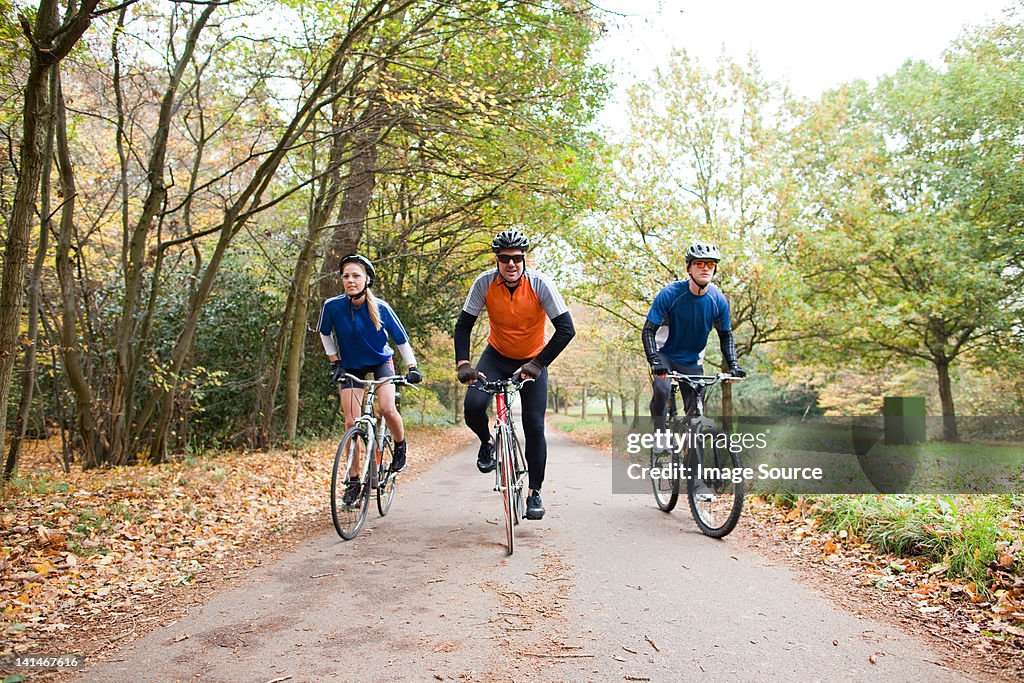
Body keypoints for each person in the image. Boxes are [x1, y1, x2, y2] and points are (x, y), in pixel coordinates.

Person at [454, 229, 575, 520]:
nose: (511, 264)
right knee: (472, 406)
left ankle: (534, 492)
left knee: (534, 425)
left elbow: (566, 329)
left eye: (517, 259)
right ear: (497, 261)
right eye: (505, 259)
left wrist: (537, 364)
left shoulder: (540, 284)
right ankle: (487, 443)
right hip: (496, 356)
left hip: (533, 359)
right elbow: (463, 325)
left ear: (524, 259)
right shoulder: (484, 283)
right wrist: (463, 364)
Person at [318, 254, 423, 505]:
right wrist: (334, 362)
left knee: (387, 408)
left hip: (380, 362)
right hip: (351, 366)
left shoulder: (381, 308)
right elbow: (324, 333)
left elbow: (401, 340)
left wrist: (412, 367)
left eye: (356, 275)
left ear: (367, 279)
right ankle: (354, 480)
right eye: (346, 276)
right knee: (351, 422)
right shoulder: (332, 306)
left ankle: (399, 447)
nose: (350, 280)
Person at [643, 242, 746, 433]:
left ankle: (690, 451)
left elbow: (726, 335)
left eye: (710, 264)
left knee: (696, 411)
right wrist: (654, 361)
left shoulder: (719, 300)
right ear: (689, 268)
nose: (705, 268)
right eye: (699, 263)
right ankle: (660, 432)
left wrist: (733, 366)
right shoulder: (670, 294)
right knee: (662, 390)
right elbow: (648, 330)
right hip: (664, 354)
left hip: (691, 359)